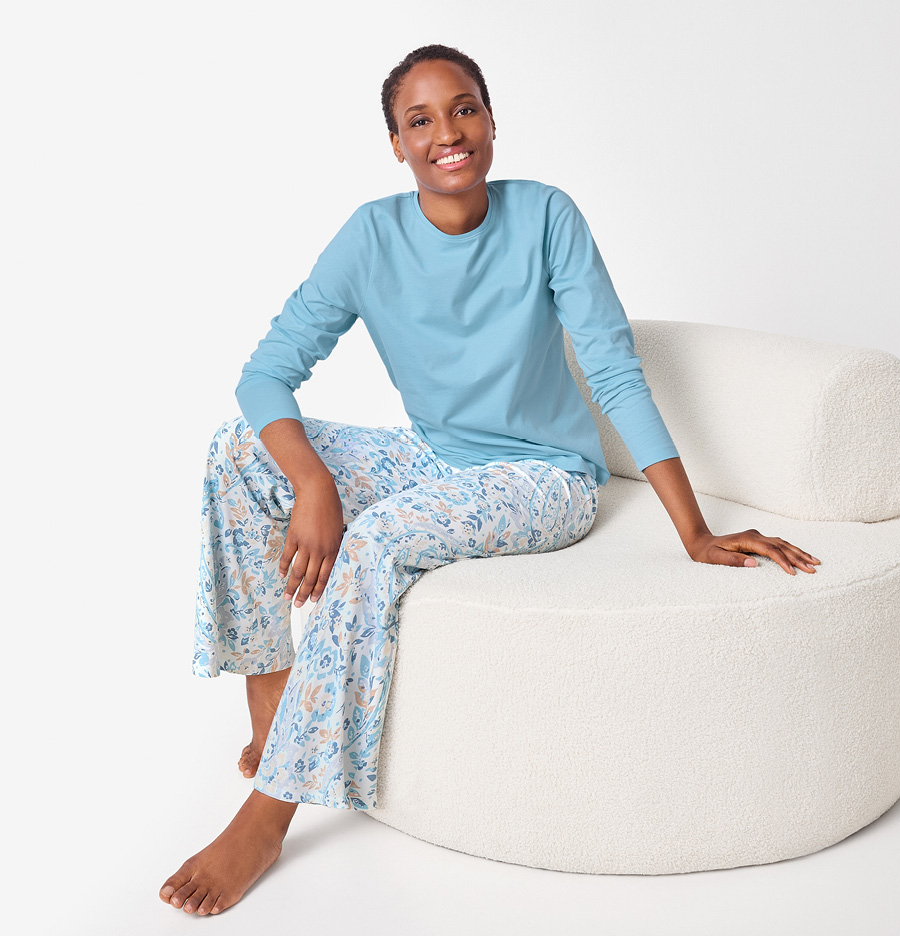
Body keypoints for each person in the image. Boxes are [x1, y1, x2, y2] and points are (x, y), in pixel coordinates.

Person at [160, 43, 821, 916]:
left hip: (545, 479)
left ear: (492, 120)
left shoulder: (546, 216)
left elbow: (615, 372)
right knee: (238, 450)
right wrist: (314, 483)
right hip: (436, 454)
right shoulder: (370, 236)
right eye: (421, 120)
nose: (448, 133)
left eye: (464, 108)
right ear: (396, 144)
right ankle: (273, 700)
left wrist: (692, 532)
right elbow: (264, 376)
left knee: (379, 539)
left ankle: (270, 811)